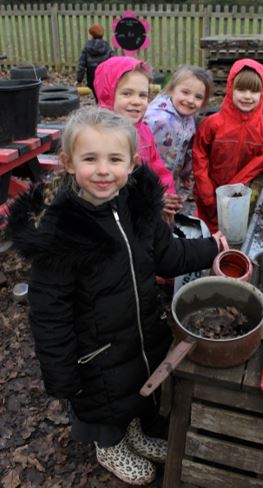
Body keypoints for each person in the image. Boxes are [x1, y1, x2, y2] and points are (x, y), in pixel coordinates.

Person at [6, 107, 223, 486]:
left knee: (137, 386)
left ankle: (134, 430)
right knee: (104, 404)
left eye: (114, 159)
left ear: (133, 163)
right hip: (94, 352)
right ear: (69, 163)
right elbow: (49, 314)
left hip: (139, 331)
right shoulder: (60, 233)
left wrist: (212, 251)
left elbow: (168, 254)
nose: (103, 170)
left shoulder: (137, 208)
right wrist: (61, 375)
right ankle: (109, 445)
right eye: (90, 159)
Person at [94, 56, 183, 223]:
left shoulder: (144, 131)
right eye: (127, 93)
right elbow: (113, 190)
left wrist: (167, 193)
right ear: (108, 93)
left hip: (146, 215)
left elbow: (158, 169)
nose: (136, 102)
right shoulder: (99, 138)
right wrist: (154, 201)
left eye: (143, 95)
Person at [192, 58, 263, 232]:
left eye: (254, 91)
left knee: (234, 231)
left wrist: (237, 184)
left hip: (241, 192)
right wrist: (206, 190)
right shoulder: (213, 123)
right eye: (241, 89)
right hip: (209, 192)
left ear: (262, 93)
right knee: (206, 231)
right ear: (230, 89)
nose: (247, 96)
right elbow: (199, 154)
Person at [144, 65, 213, 190]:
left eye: (198, 97)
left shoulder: (189, 119)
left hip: (171, 182)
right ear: (171, 90)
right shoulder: (155, 118)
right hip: (147, 182)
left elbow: (186, 150)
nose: (191, 100)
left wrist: (184, 175)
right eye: (185, 92)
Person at [75, 23, 115, 102]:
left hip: (92, 76)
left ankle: (99, 105)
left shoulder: (87, 47)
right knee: (104, 95)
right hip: (104, 75)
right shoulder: (106, 46)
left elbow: (82, 65)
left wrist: (79, 79)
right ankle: (103, 106)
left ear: (91, 35)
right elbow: (113, 61)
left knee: (96, 95)